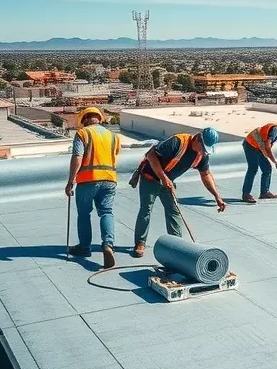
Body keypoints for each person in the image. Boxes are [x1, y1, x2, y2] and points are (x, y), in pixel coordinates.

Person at [132, 127, 225, 257]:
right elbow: (151, 155)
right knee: (145, 210)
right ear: (197, 139)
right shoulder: (177, 142)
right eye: (203, 148)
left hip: (168, 182)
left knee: (174, 212)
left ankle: (176, 244)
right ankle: (140, 243)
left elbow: (206, 174)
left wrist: (217, 196)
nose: (204, 152)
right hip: (150, 178)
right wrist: (163, 177)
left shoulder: (201, 155)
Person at [65, 107, 121, 269]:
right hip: (109, 179)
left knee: (84, 214)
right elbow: (114, 154)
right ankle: (108, 244)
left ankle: (84, 247)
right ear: (100, 119)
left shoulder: (83, 134)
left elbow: (77, 156)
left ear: (85, 120)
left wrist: (70, 181)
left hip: (88, 179)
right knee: (106, 212)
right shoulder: (113, 136)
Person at [242, 119, 277, 203]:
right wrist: (275, 162)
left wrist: (268, 156)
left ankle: (264, 192)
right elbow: (267, 146)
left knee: (267, 168)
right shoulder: (276, 130)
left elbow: (266, 145)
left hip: (258, 146)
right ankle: (246, 194)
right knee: (253, 168)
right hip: (250, 144)